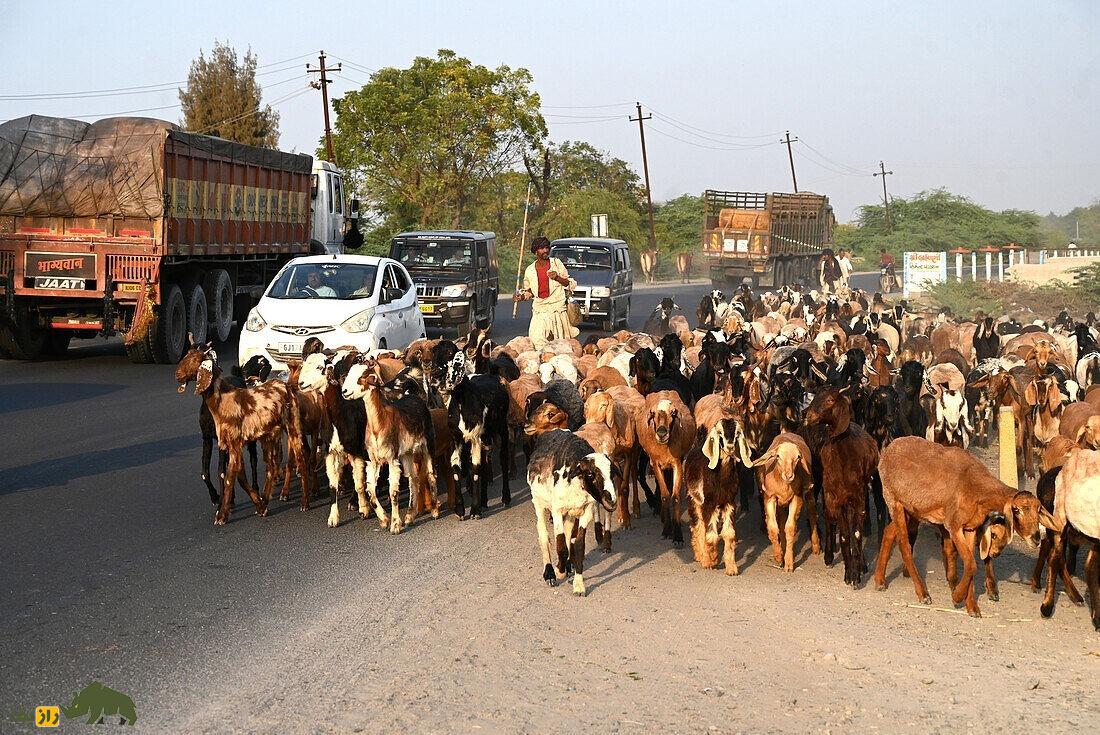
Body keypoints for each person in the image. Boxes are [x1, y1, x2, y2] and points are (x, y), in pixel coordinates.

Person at [513, 235, 578, 349]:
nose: (545, 251)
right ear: (535, 251)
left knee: (559, 343)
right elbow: (530, 291)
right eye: (542, 248)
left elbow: (569, 284)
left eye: (547, 248)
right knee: (536, 339)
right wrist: (521, 297)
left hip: (556, 309)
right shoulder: (530, 270)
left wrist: (557, 277)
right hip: (540, 310)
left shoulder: (556, 264)